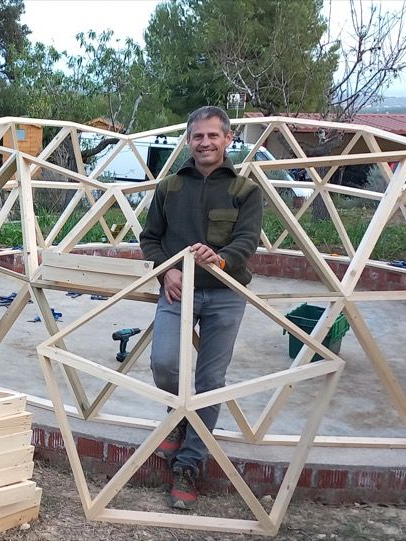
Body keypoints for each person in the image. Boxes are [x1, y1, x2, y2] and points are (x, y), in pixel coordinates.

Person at [139, 105, 262, 511]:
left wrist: (222, 258)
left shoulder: (245, 189)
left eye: (213, 135)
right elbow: (150, 238)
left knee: (211, 380)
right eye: (198, 136)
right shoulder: (170, 186)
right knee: (166, 363)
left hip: (226, 294)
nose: (205, 142)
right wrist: (166, 272)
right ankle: (177, 419)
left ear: (228, 139)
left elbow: (246, 242)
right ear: (188, 141)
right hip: (178, 290)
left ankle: (188, 465)